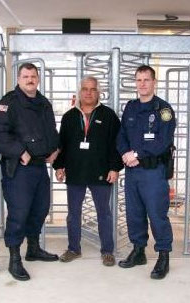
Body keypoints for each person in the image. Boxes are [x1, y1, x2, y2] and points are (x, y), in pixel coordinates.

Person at [0, 63, 59, 281]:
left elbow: (51, 131)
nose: (30, 79)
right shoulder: (8, 103)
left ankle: (33, 248)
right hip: (19, 169)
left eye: (33, 76)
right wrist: (20, 151)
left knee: (40, 209)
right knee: (19, 213)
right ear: (18, 79)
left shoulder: (43, 103)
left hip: (39, 167)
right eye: (26, 76)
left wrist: (55, 149)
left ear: (38, 79)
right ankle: (14, 258)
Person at [53, 76, 123, 266]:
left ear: (98, 92)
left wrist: (115, 168)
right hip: (75, 173)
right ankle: (73, 248)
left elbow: (117, 145)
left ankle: (107, 250)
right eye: (85, 89)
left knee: (104, 213)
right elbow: (62, 145)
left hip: (100, 173)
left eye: (93, 89)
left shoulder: (108, 115)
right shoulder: (68, 117)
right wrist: (59, 166)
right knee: (73, 213)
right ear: (79, 91)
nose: (89, 93)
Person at [117, 65, 176, 279]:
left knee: (157, 214)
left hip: (153, 171)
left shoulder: (164, 110)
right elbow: (121, 134)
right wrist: (125, 153)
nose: (142, 84)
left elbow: (163, 141)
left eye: (146, 80)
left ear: (154, 82)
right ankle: (139, 251)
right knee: (134, 213)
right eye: (139, 80)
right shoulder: (131, 107)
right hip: (132, 171)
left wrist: (137, 155)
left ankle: (163, 256)